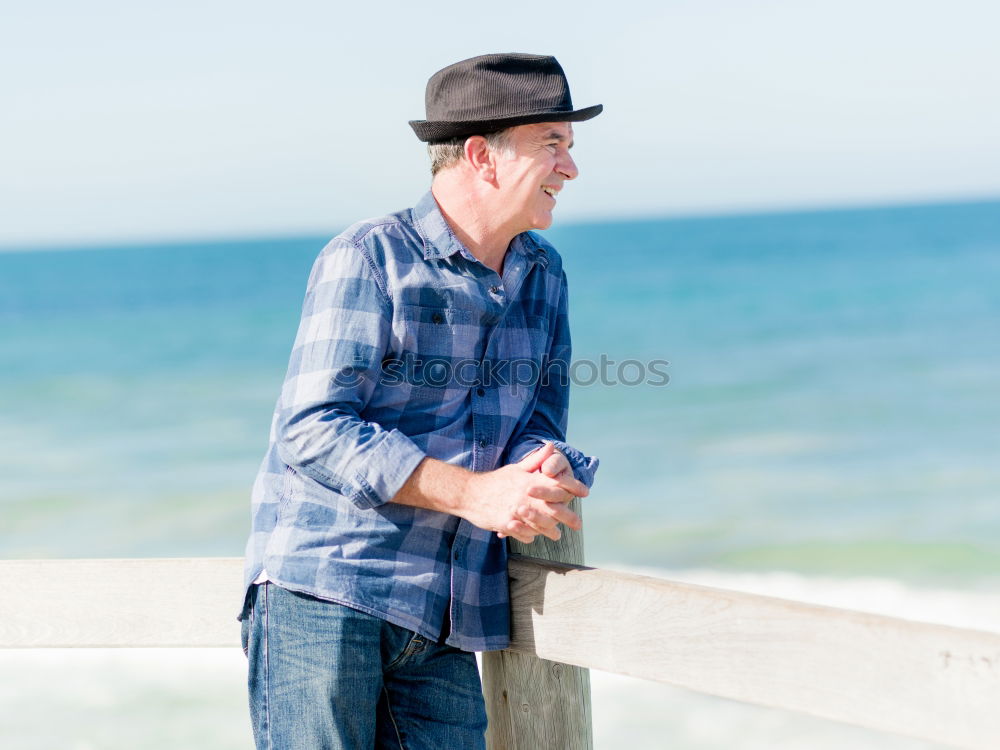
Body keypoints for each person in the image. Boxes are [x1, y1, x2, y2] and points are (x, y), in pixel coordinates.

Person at [240, 52, 602, 750]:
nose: (570, 168)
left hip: (449, 612)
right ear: (481, 156)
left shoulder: (545, 276)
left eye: (571, 146)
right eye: (551, 144)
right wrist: (474, 494)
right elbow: (311, 428)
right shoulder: (369, 255)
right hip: (326, 594)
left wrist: (538, 469)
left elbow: (538, 424)